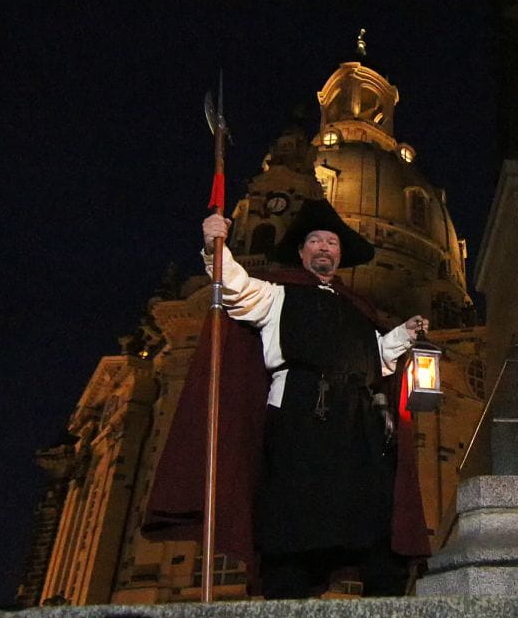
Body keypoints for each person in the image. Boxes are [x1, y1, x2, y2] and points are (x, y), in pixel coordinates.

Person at [146, 199, 431, 599]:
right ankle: (288, 587)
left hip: (358, 420)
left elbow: (377, 360)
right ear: (302, 252)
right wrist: (216, 246)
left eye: (331, 242)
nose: (324, 247)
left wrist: (402, 335)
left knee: (376, 507)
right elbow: (235, 289)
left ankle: (384, 590)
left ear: (340, 254)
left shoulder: (358, 310)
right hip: (299, 412)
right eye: (315, 241)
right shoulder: (276, 294)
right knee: (294, 505)